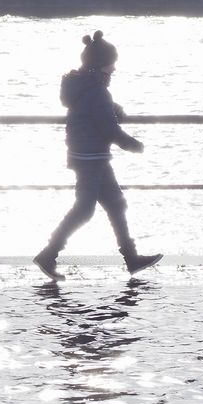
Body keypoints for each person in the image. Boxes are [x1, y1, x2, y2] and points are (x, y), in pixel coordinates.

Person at [32, 31, 163, 281]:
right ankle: (48, 254)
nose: (115, 68)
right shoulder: (98, 91)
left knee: (116, 203)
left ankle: (131, 258)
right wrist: (133, 145)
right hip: (91, 157)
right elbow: (108, 128)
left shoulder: (84, 86)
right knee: (84, 209)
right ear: (102, 64)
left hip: (88, 154)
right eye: (112, 62)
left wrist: (114, 109)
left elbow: (93, 109)